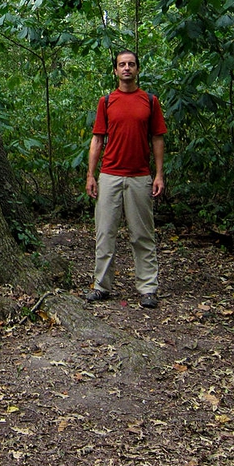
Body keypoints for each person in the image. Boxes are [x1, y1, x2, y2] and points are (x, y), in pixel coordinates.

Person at [85, 49, 167, 309]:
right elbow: (97, 139)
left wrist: (159, 174)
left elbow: (157, 138)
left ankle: (148, 288)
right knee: (105, 232)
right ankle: (101, 286)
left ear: (138, 69)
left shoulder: (150, 101)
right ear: (115, 70)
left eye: (131, 64)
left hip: (140, 176)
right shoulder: (107, 101)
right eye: (122, 64)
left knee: (142, 234)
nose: (127, 68)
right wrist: (91, 174)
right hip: (109, 175)